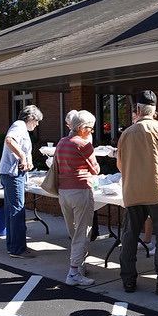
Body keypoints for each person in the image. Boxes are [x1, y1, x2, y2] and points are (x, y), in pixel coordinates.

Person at [116, 90, 158, 295]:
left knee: (129, 237)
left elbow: (120, 165)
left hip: (133, 192)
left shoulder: (126, 133)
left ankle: (128, 280)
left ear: (137, 110)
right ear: (155, 111)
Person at [55, 110, 100, 287]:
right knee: (82, 233)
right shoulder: (83, 144)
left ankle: (79, 266)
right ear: (82, 128)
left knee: (74, 232)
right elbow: (95, 169)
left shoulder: (61, 142)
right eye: (90, 128)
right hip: (81, 191)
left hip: (63, 192)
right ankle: (74, 272)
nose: (92, 132)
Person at [0, 105, 43, 258]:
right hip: (13, 175)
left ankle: (14, 247)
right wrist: (23, 158)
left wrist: (27, 161)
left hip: (13, 173)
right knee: (17, 211)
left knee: (12, 211)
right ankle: (18, 249)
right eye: (36, 121)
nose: (37, 125)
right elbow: (9, 141)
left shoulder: (21, 127)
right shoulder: (19, 125)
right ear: (30, 118)